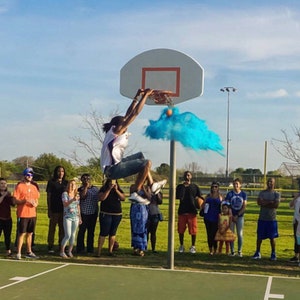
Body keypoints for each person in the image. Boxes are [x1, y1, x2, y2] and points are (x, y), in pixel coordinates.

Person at [100, 88, 166, 204]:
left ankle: (152, 185)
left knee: (140, 156)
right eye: (124, 123)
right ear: (119, 125)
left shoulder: (114, 130)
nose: (127, 126)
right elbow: (134, 114)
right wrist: (145, 96)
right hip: (113, 170)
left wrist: (136, 97)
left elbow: (129, 113)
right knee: (147, 163)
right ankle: (135, 192)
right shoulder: (116, 131)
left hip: (113, 167)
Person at [13, 168, 40, 260]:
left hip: (32, 214)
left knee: (30, 233)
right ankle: (19, 252)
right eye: (28, 175)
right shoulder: (19, 186)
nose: (30, 177)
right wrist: (23, 201)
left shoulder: (34, 187)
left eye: (31, 175)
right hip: (23, 214)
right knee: (22, 233)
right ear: (24, 175)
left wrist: (35, 204)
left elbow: (36, 200)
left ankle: (29, 251)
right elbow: (15, 200)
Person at [252, 177, 280, 261]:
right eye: (268, 182)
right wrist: (270, 202)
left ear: (274, 183)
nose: (269, 183)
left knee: (272, 237)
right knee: (259, 237)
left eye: (271, 182)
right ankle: (257, 252)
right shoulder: (262, 193)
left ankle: (273, 253)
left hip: (272, 219)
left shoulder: (276, 194)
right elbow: (259, 202)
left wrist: (265, 202)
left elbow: (276, 205)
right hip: (262, 218)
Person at [176, 171, 203, 254]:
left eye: (188, 175)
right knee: (181, 230)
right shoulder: (180, 187)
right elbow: (178, 196)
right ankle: (181, 245)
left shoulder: (194, 187)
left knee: (193, 230)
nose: (187, 177)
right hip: (183, 211)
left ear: (191, 176)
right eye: (185, 175)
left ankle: (193, 246)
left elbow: (200, 196)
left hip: (192, 211)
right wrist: (184, 186)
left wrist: (201, 203)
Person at [97, 179, 125, 256]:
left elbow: (123, 198)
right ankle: (99, 251)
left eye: (114, 182)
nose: (112, 183)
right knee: (103, 232)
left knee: (113, 233)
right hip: (106, 213)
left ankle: (110, 251)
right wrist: (109, 189)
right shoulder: (103, 189)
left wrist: (116, 190)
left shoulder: (118, 189)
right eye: (111, 182)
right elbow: (101, 198)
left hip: (116, 214)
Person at [46, 165, 68, 253]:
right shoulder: (51, 182)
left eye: (62, 171)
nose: (61, 173)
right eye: (59, 171)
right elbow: (49, 196)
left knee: (62, 228)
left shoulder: (66, 183)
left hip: (63, 209)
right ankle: (50, 246)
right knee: (52, 228)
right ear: (56, 172)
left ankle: (61, 245)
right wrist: (49, 209)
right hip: (54, 209)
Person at [76, 174, 99, 255]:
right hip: (83, 213)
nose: (86, 180)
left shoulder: (95, 189)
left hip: (93, 213)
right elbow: (82, 197)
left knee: (91, 232)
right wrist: (85, 187)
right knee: (81, 231)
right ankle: (80, 248)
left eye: (87, 179)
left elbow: (98, 200)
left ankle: (90, 249)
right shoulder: (80, 189)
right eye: (84, 179)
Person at [225, 178, 247, 257]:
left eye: (237, 184)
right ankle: (232, 251)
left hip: (240, 217)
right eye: (234, 184)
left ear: (240, 185)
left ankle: (240, 251)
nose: (236, 185)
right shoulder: (230, 194)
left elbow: (244, 206)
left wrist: (238, 215)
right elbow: (227, 205)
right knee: (231, 234)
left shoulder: (243, 194)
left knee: (240, 234)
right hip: (231, 216)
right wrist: (231, 214)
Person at [60, 179, 81, 258]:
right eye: (71, 184)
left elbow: (78, 206)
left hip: (75, 216)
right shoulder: (65, 194)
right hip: (67, 216)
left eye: (74, 184)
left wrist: (80, 217)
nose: (72, 186)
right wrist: (72, 200)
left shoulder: (77, 194)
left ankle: (70, 251)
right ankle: (62, 251)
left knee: (73, 234)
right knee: (67, 235)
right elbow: (65, 204)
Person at [130, 183, 151, 256]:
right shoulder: (133, 186)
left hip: (143, 210)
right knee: (134, 228)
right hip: (135, 209)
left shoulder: (147, 187)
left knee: (142, 229)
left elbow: (149, 197)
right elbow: (132, 194)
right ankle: (135, 248)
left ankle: (142, 248)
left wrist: (144, 189)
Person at [202, 181, 223, 255]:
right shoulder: (208, 196)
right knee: (209, 234)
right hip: (208, 217)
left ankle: (215, 249)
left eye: (216, 187)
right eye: (213, 186)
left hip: (216, 218)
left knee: (214, 234)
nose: (214, 188)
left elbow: (223, 207)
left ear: (218, 188)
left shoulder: (220, 197)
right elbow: (202, 205)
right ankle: (210, 249)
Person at [0, 177, 15, 256]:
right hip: (0, 218)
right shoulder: (3, 194)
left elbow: (13, 204)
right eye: (1, 183)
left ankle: (8, 250)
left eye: (4, 184)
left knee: (7, 236)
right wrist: (3, 195)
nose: (3, 185)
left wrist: (12, 197)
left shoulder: (8, 194)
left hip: (8, 218)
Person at [288, 193, 300, 263]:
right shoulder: (297, 198)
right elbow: (290, 205)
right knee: (297, 239)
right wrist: (295, 197)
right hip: (296, 221)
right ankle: (296, 256)